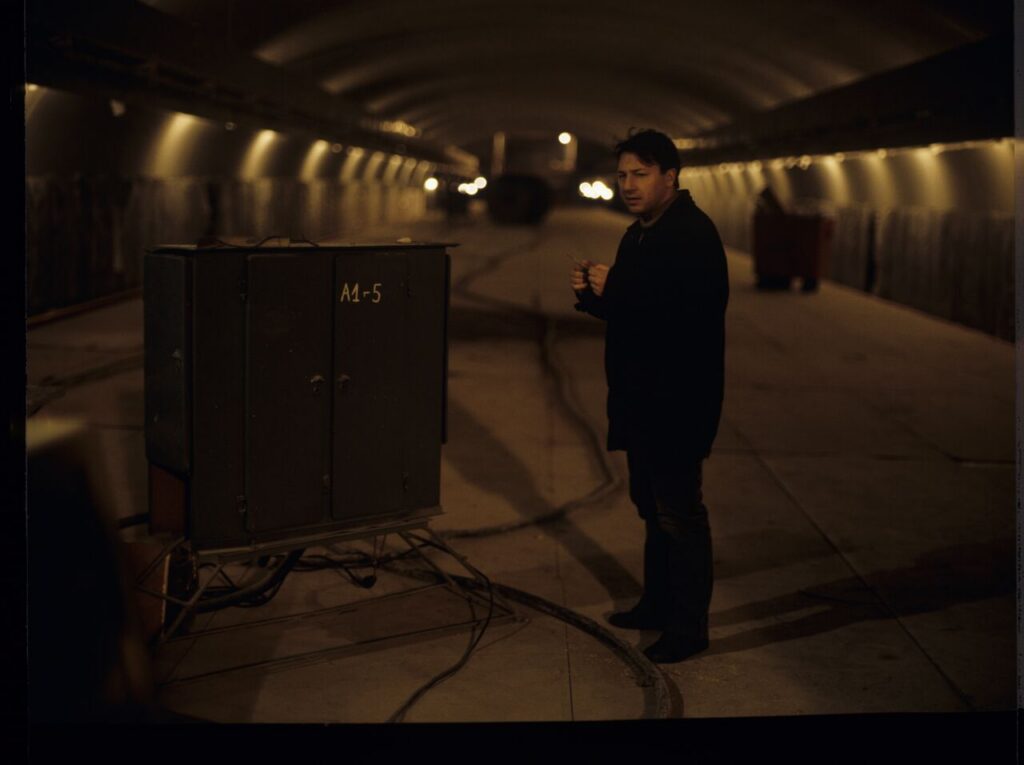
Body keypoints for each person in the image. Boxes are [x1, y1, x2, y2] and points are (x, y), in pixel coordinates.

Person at [570, 129, 729, 663]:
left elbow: (682, 319)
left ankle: (689, 627)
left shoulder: (692, 235)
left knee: (681, 513)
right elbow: (632, 313)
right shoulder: (638, 233)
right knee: (651, 509)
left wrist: (614, 288)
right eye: (622, 176)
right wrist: (593, 297)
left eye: (641, 174)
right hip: (640, 399)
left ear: (670, 176)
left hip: (678, 401)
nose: (629, 185)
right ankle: (657, 604)